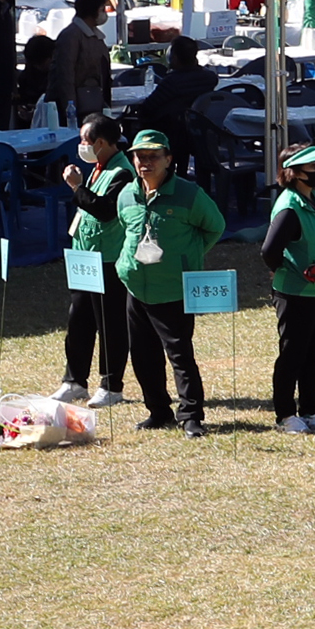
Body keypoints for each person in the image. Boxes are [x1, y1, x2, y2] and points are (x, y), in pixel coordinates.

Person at [110, 128, 226, 438]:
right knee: (143, 354)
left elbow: (215, 227)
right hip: (137, 287)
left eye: (153, 156)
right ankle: (158, 411)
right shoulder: (126, 195)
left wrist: (187, 256)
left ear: (168, 159)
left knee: (180, 355)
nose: (145, 162)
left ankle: (191, 416)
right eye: (139, 156)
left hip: (173, 288)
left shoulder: (189, 195)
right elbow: (126, 228)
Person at [258, 143, 315, 435]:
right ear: (294, 173)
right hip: (296, 294)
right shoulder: (289, 207)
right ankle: (285, 413)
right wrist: (287, 268)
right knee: (293, 354)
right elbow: (269, 250)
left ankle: (310, 409)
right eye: (313, 167)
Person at [51, 114, 131, 408]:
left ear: (100, 142)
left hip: (109, 258)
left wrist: (76, 187)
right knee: (79, 320)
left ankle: (111, 386)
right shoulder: (99, 168)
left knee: (110, 323)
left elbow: (105, 210)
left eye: (85, 141)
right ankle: (74, 381)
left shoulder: (123, 173)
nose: (81, 146)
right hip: (84, 256)